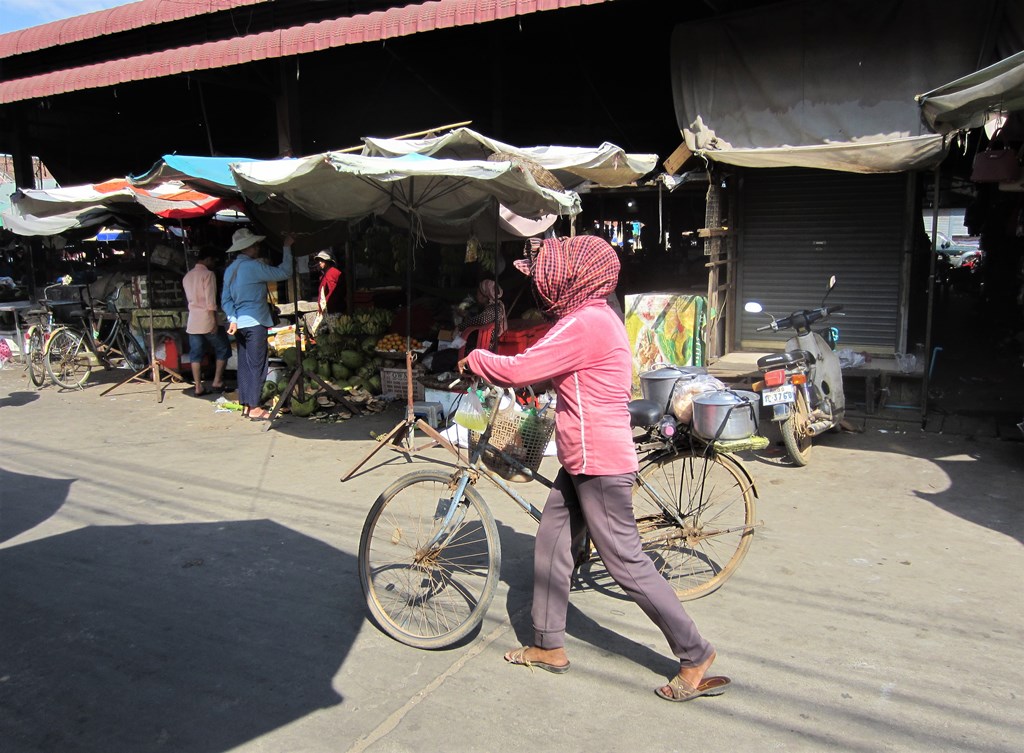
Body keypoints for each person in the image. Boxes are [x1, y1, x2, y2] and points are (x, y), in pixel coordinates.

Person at [458, 235, 729, 703]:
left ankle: (695, 652)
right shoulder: (595, 315)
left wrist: (475, 357)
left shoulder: (584, 323)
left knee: (626, 561)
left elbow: (523, 369)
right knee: (551, 543)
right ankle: (547, 644)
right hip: (581, 457)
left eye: (547, 280)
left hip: (598, 462)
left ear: (567, 281)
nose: (543, 289)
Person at [221, 228, 293, 421]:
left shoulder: (230, 270)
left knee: (244, 365)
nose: (258, 247)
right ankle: (254, 407)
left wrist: (233, 319)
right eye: (256, 245)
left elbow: (225, 300)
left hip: (240, 325)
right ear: (249, 247)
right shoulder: (253, 267)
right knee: (257, 366)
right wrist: (287, 248)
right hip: (255, 322)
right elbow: (285, 272)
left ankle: (246, 404)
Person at [181, 245, 231, 396]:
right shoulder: (208, 274)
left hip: (193, 320)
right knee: (223, 349)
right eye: (213, 260)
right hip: (207, 318)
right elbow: (210, 301)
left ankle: (198, 386)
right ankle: (217, 381)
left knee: (195, 354)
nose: (214, 263)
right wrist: (214, 321)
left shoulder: (187, 276)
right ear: (208, 259)